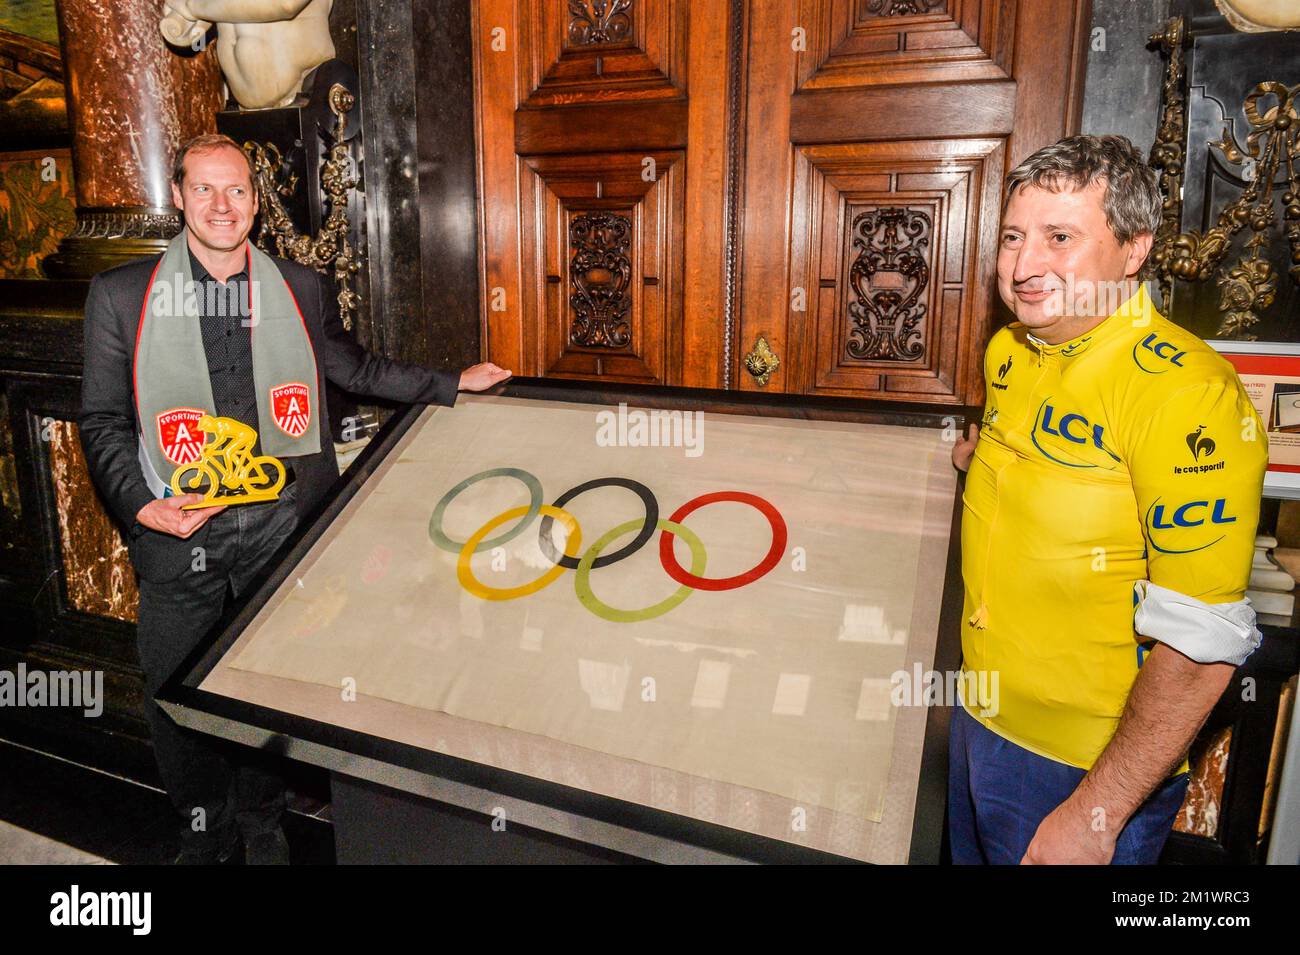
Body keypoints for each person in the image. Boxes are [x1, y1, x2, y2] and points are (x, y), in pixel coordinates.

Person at [78, 132, 511, 864]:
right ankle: (205, 824)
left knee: (270, 684)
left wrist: (449, 382)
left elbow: (354, 366)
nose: (223, 205)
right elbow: (103, 420)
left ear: (256, 201)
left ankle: (260, 814)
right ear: (178, 196)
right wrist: (143, 506)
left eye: (238, 190)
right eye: (205, 189)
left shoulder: (298, 288)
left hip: (283, 523)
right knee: (175, 689)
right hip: (180, 529)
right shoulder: (121, 295)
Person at [948, 134, 1267, 864]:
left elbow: (1199, 647)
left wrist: (1096, 813)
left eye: (1060, 237)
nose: (1025, 266)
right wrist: (977, 462)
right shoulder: (1010, 351)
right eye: (1012, 237)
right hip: (973, 720)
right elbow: (1036, 467)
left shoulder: (1187, 393)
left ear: (1133, 249)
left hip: (1082, 770)